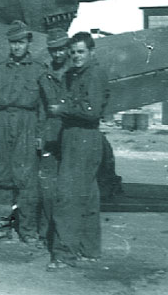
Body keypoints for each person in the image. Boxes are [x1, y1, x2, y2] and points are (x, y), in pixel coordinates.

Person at [47, 31, 109, 271]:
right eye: (72, 52)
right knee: (88, 195)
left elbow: (91, 111)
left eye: (81, 51)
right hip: (80, 137)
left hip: (82, 137)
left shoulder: (93, 74)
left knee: (67, 196)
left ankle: (64, 255)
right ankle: (88, 249)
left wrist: (62, 108)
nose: (76, 56)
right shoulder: (75, 75)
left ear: (91, 52)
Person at [0, 20, 45, 245]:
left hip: (27, 123)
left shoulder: (39, 70)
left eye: (21, 42)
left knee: (26, 178)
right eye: (13, 43)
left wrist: (39, 134)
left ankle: (28, 229)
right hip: (1, 122)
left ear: (28, 42)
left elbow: (43, 106)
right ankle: (2, 226)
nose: (17, 47)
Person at [36, 27, 70, 249]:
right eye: (53, 50)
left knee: (69, 187)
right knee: (47, 187)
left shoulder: (76, 73)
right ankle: (45, 233)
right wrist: (40, 134)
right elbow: (40, 108)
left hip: (71, 135)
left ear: (67, 49)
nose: (57, 54)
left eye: (61, 49)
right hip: (50, 134)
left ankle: (66, 237)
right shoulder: (44, 74)